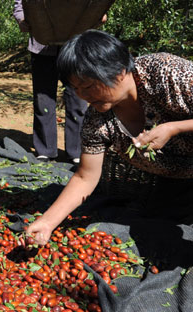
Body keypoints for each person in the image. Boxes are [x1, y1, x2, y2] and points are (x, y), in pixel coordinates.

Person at [26, 30, 193, 245]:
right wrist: (47, 222)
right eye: (75, 88)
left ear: (119, 71)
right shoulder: (97, 120)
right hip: (178, 178)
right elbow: (85, 177)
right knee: (158, 226)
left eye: (87, 86)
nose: (82, 96)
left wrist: (175, 128)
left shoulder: (166, 74)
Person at [13, 0, 106, 164]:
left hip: (77, 48)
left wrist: (100, 13)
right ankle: (45, 149)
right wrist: (23, 20)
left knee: (78, 97)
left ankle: (76, 152)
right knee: (44, 98)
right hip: (43, 46)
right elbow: (20, 3)